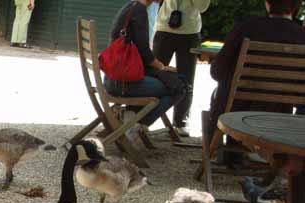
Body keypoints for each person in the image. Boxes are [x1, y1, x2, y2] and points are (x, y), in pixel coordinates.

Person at [208, 0, 305, 167]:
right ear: (297, 7)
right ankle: (270, 159)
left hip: (235, 111)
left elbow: (216, 71)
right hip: (279, 113)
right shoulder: (302, 35)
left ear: (268, 4)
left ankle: (226, 151)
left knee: (223, 92)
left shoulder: (246, 27)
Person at [106, 0, 187, 147]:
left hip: (115, 78)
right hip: (124, 83)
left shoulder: (131, 6)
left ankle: (130, 115)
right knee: (179, 87)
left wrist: (160, 70)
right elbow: (145, 53)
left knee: (172, 80)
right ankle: (135, 125)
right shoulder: (139, 11)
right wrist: (161, 67)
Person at [153, 0, 210, 137]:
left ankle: (181, 122)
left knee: (187, 79)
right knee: (154, 74)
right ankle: (142, 118)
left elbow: (202, 7)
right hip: (164, 27)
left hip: (190, 32)